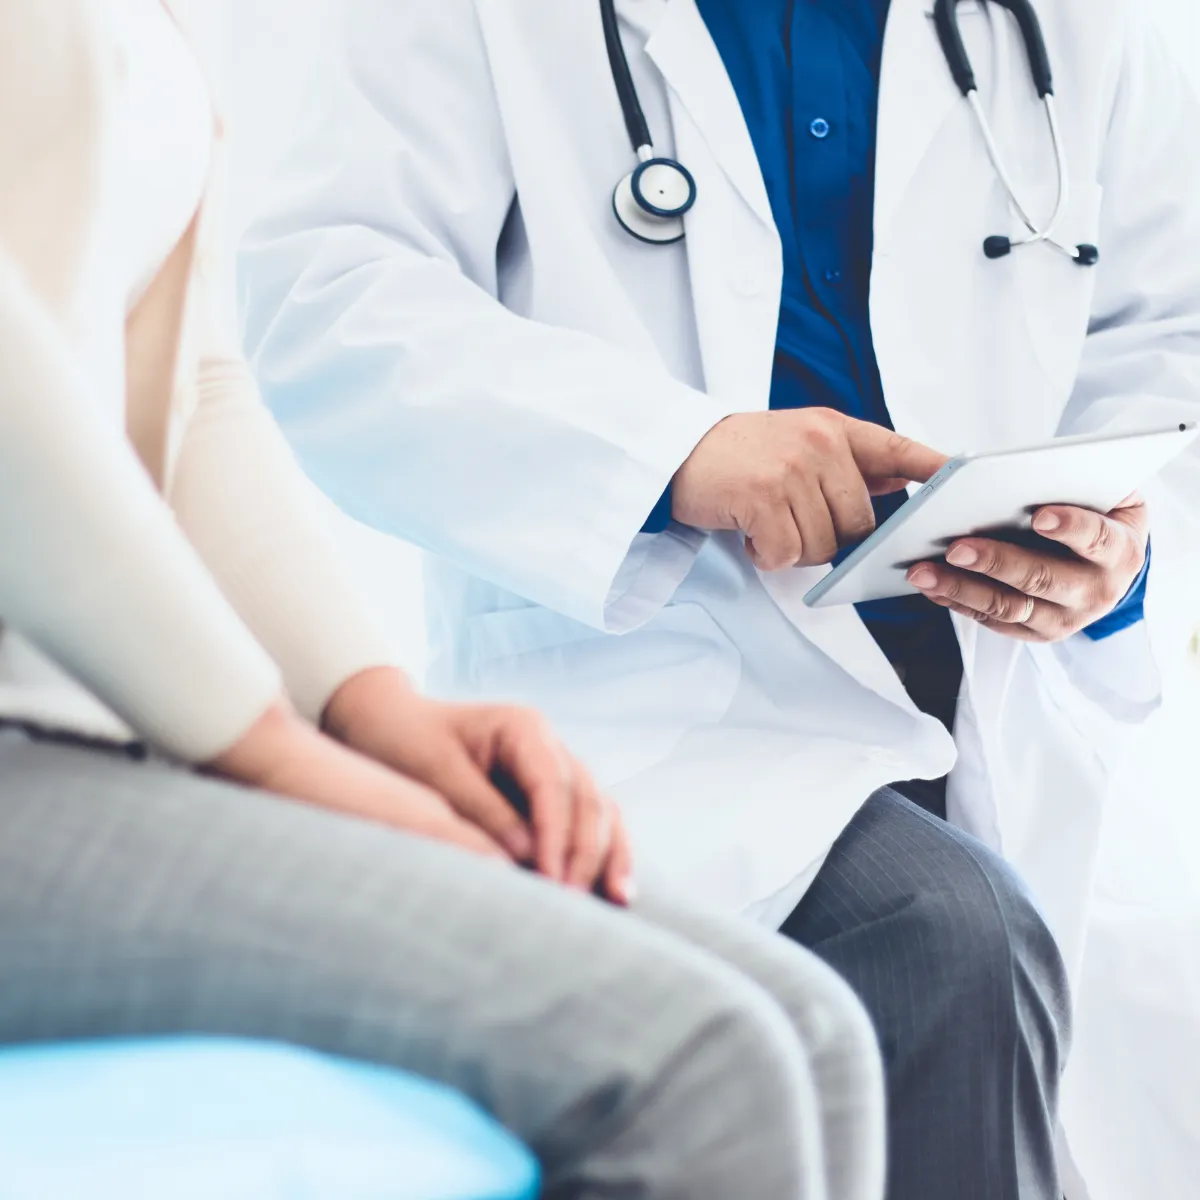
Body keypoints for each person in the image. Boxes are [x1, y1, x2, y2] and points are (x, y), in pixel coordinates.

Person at [240, 1, 1200, 1196]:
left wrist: (1115, 549)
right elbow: (322, 303)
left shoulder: (1076, 27)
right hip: (665, 690)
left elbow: (1167, 332)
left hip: (1016, 695)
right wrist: (673, 452)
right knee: (946, 940)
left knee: (1134, 995)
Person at [0, 3, 891, 1197]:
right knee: (702, 1057)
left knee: (814, 1032)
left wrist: (376, 710)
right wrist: (270, 751)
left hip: (118, 732)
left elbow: (197, 386)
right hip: (43, 751)